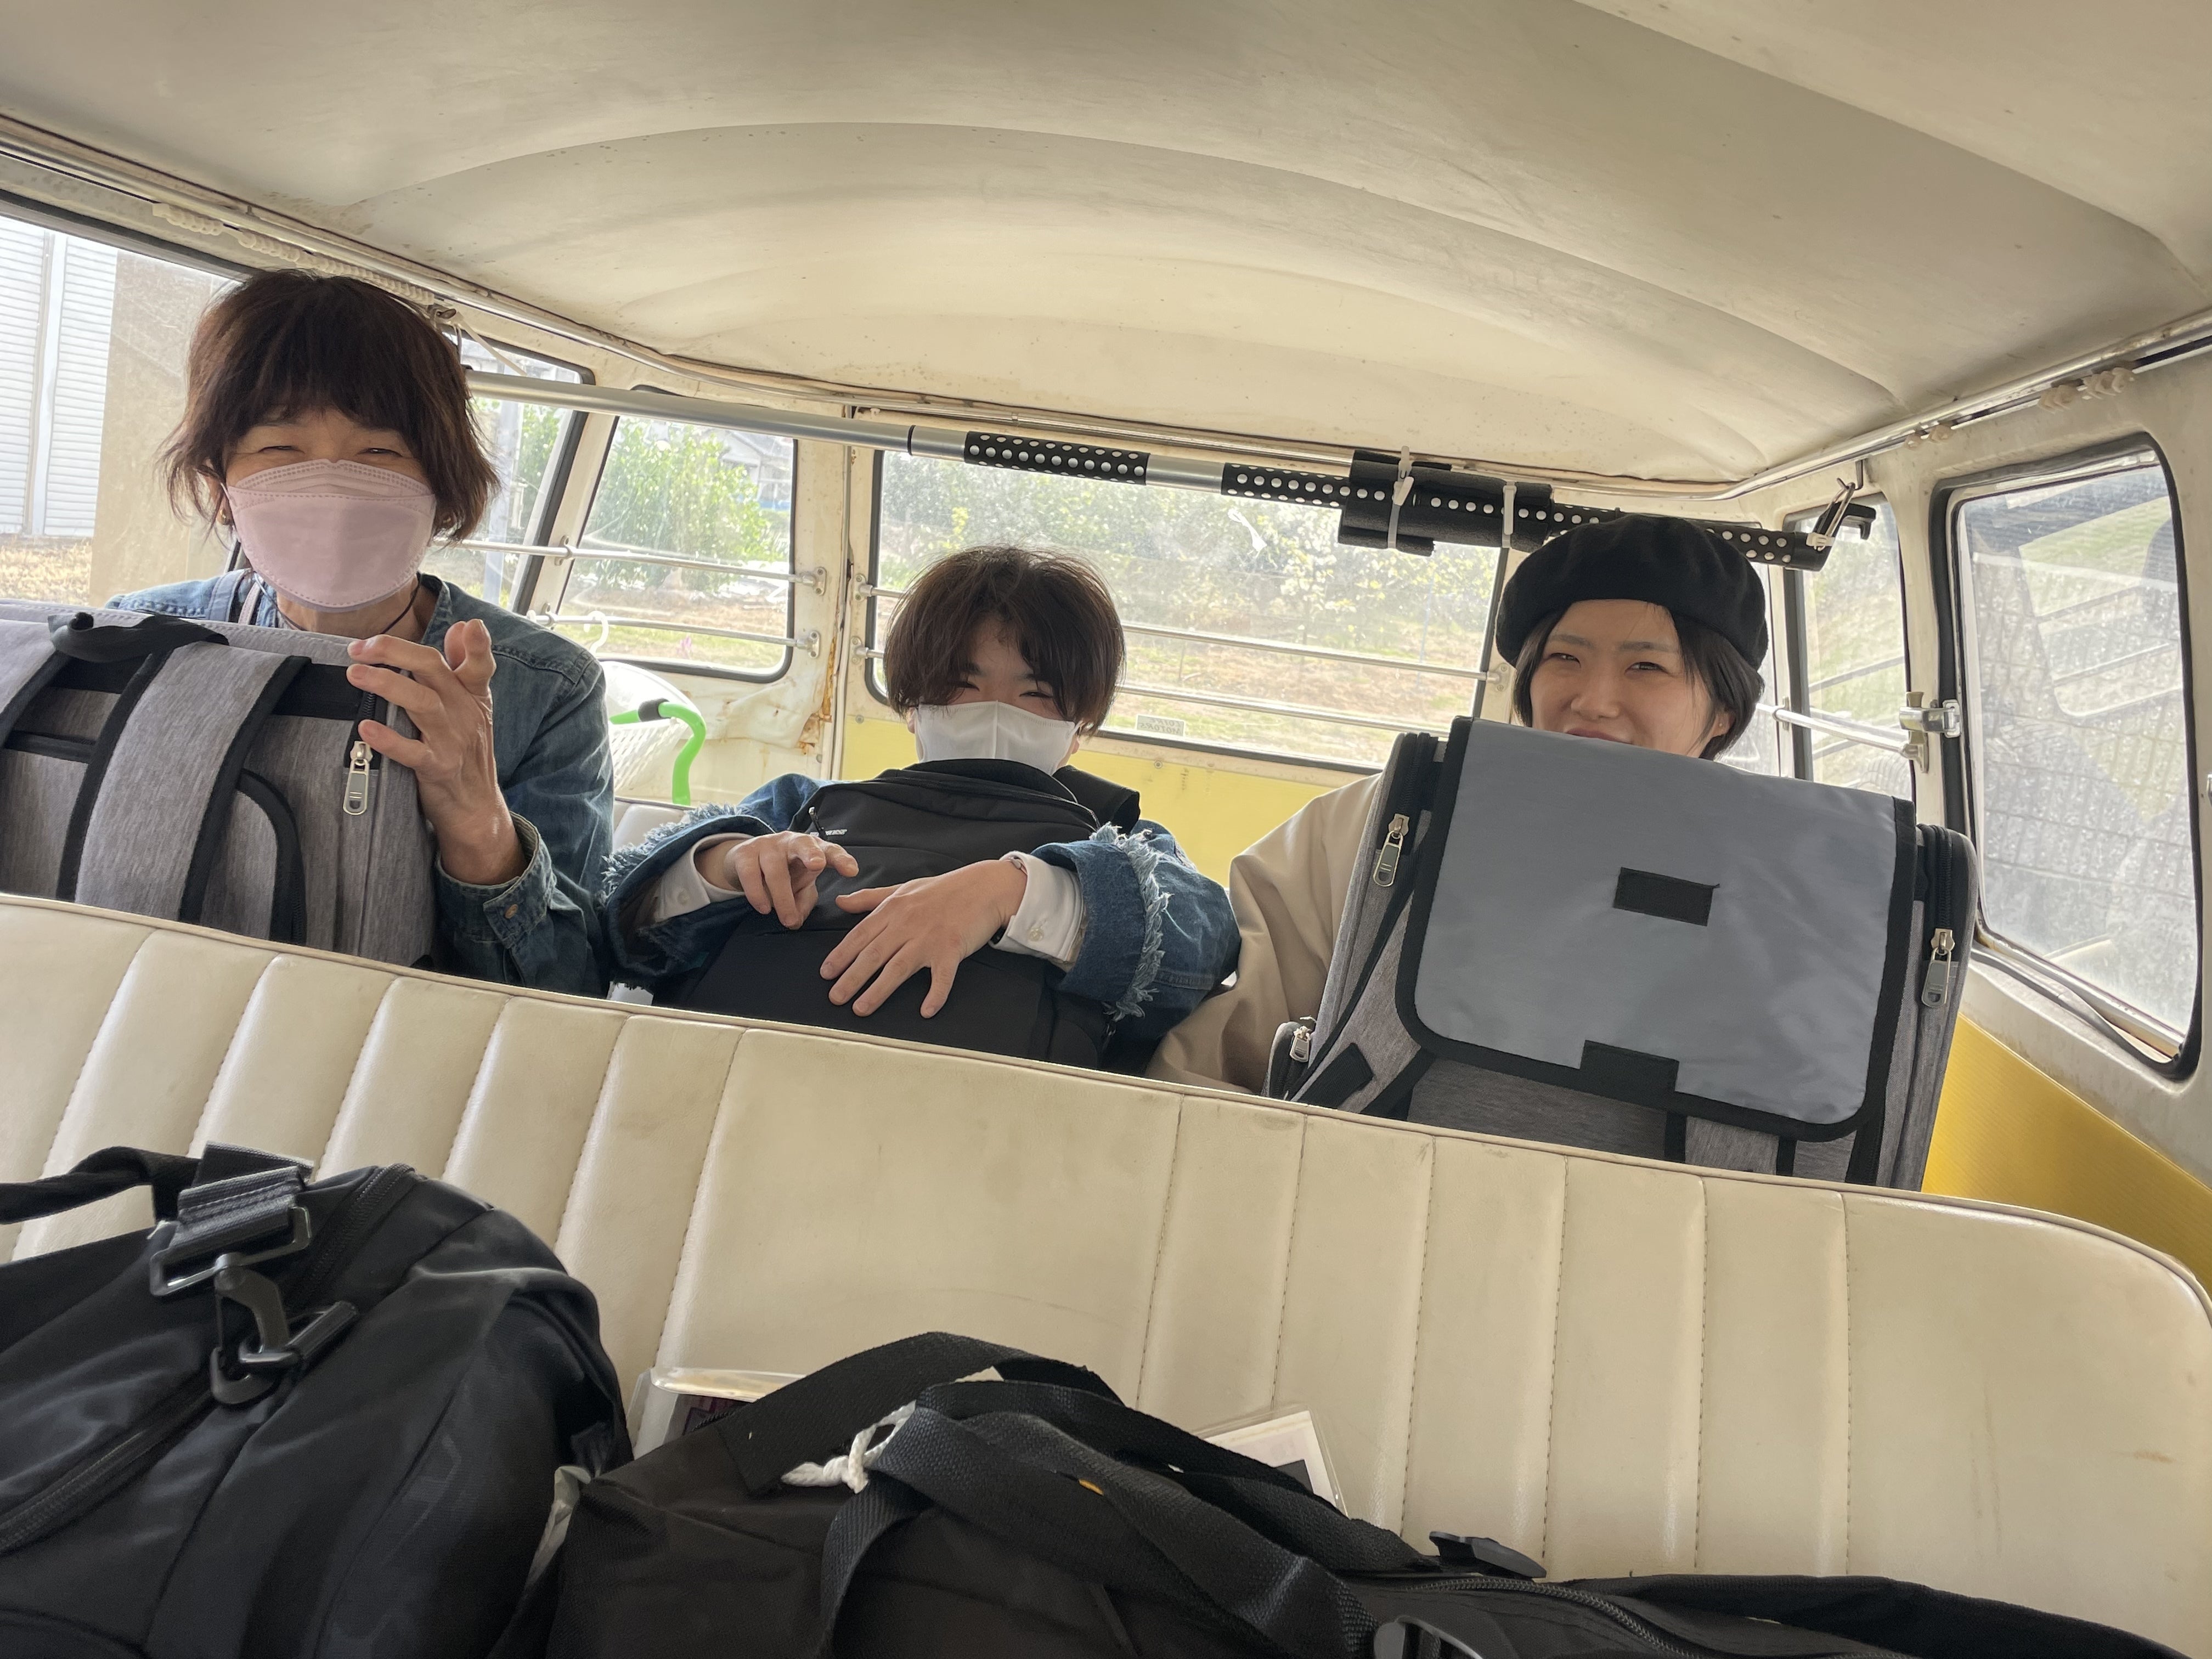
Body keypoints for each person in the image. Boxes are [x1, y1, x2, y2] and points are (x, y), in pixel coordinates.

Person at [111, 270, 612, 995]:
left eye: (379, 452)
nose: (333, 487)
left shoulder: (549, 686)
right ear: (222, 487)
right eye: (280, 449)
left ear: (441, 486)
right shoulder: (141, 642)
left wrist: (479, 826)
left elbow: (570, 991)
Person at [1149, 514, 1767, 1093]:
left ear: (1724, 712)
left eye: (1646, 667)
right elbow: (1224, 1055)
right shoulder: (1379, 820)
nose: (1593, 701)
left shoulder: (1773, 878)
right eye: (1565, 658)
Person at [605, 544, 1238, 1066]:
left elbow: (1206, 940)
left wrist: (1009, 892)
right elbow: (620, 924)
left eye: (1037, 693)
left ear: (1081, 728)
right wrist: (724, 865)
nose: (995, 710)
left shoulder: (1120, 842)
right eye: (963, 684)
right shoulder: (801, 804)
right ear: (910, 704)